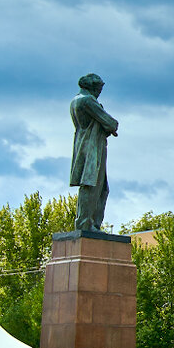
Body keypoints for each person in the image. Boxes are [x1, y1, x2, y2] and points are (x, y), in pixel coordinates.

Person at [69, 73, 119, 231]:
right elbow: (111, 123)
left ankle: (91, 223)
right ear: (92, 87)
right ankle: (86, 223)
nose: (100, 92)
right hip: (92, 147)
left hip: (85, 144)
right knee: (92, 185)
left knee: (100, 187)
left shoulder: (76, 100)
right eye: (99, 88)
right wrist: (110, 126)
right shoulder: (87, 100)